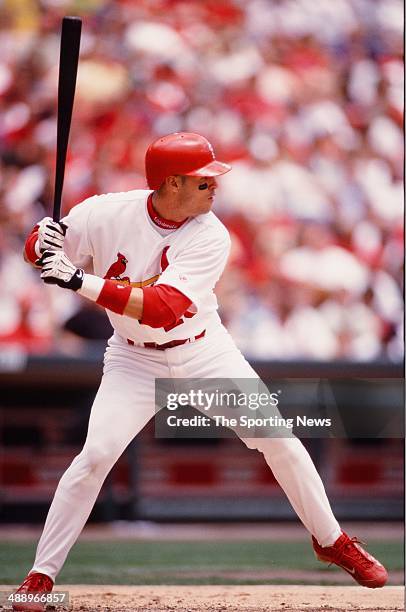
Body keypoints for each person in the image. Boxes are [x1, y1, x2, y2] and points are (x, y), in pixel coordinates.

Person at [15, 132, 387, 611]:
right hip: (134, 358)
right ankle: (41, 577)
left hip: (204, 351)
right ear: (171, 183)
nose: (215, 188)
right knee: (95, 457)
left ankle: (332, 540)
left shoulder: (210, 233)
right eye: (203, 181)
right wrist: (39, 241)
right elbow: (42, 253)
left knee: (280, 440)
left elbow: (163, 309)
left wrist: (77, 278)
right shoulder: (103, 211)